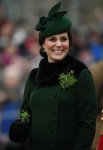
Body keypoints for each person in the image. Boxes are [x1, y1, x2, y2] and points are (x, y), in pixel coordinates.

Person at [9, 2, 97, 150]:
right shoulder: (34, 76)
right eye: (52, 39)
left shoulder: (81, 74)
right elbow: (25, 114)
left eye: (63, 39)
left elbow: (87, 124)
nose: (59, 44)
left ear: (69, 42)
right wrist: (20, 127)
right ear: (43, 44)